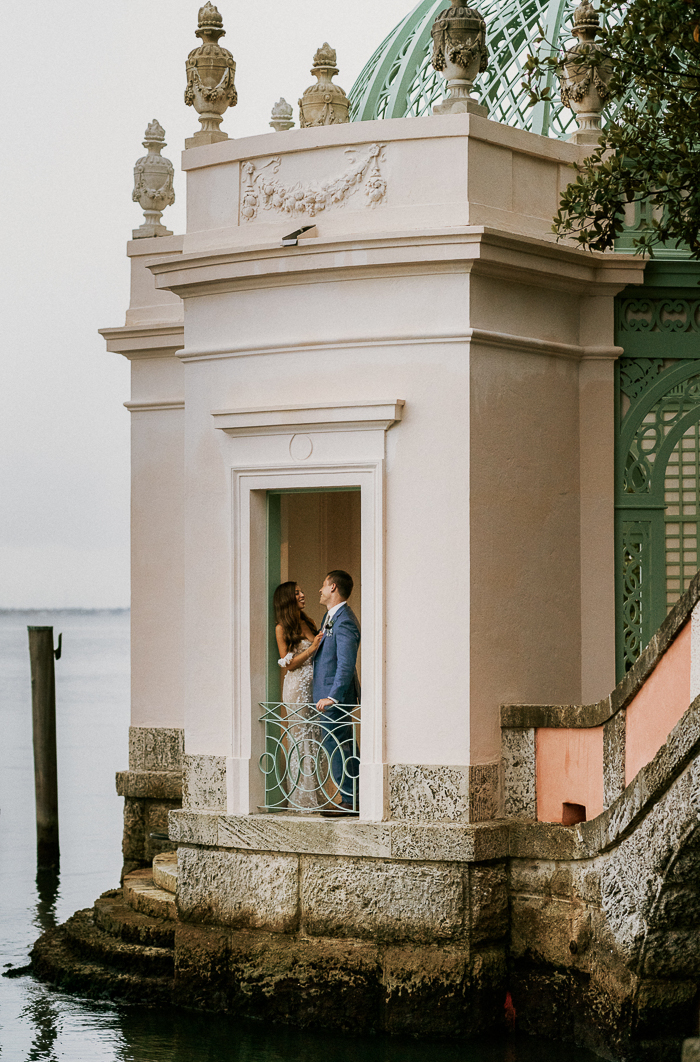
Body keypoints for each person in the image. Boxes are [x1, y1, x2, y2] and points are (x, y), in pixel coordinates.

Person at [313, 570, 361, 815]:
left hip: (334, 699)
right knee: (341, 745)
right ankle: (353, 797)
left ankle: (351, 800)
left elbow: (345, 662)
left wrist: (333, 696)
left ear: (333, 587)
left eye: (323, 585)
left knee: (339, 746)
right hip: (328, 696)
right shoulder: (330, 617)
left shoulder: (345, 620)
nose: (319, 590)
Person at [273, 582, 324, 811]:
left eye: (302, 591)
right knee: (302, 740)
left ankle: (320, 794)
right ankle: (303, 800)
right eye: (297, 592)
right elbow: (288, 663)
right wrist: (311, 649)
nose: (303, 594)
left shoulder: (308, 621)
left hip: (314, 687)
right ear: (287, 599)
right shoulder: (281, 628)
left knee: (317, 739)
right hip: (296, 688)